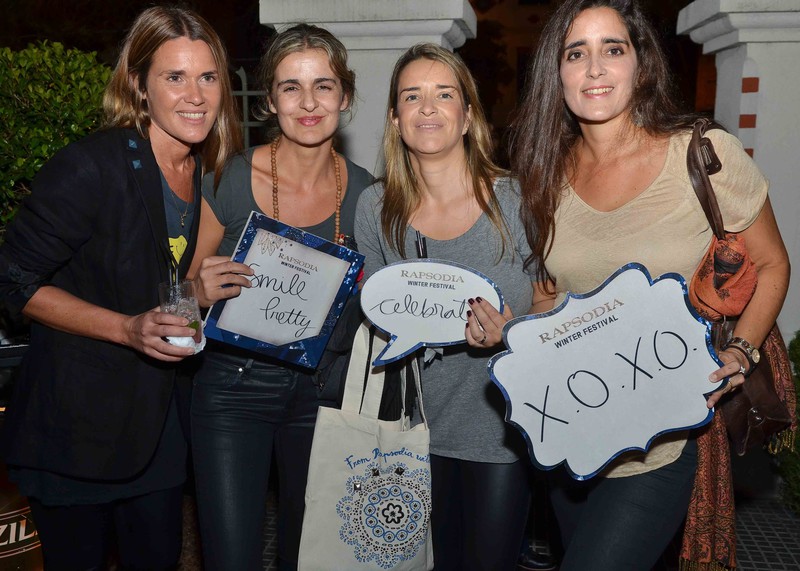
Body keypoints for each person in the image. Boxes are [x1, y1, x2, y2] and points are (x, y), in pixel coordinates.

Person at [508, 1, 790, 570]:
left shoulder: (701, 153)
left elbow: (772, 264)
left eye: (612, 49)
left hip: (665, 441)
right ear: (556, 73)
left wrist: (742, 351)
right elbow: (548, 297)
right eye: (575, 53)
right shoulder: (544, 174)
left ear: (641, 64)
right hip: (574, 436)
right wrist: (516, 338)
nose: (595, 68)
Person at [0, 5, 241, 569]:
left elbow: (161, 285)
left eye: (208, 77)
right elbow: (12, 280)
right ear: (138, 85)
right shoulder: (91, 166)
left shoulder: (205, 172)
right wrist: (126, 328)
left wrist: (196, 294)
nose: (196, 95)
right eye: (175, 77)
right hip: (76, 430)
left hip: (156, 431)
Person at [187, 24, 374, 571]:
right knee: (231, 556)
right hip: (231, 392)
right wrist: (196, 292)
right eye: (291, 87)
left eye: (324, 85)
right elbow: (178, 293)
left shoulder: (369, 193)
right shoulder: (227, 178)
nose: (309, 103)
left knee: (309, 557)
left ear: (344, 96)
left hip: (323, 395)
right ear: (270, 100)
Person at [355, 43, 536, 571]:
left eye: (444, 94)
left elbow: (554, 296)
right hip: (411, 430)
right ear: (395, 119)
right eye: (412, 96)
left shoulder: (516, 200)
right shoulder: (376, 207)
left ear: (468, 116)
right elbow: (372, 311)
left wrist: (514, 332)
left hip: (501, 429)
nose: (428, 107)